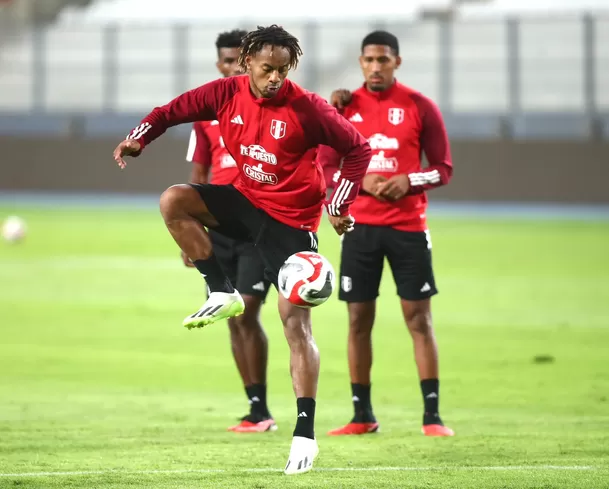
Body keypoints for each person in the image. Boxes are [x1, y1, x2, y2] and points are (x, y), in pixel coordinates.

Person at [113, 25, 371, 475]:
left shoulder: (308, 108)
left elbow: (357, 148)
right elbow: (169, 111)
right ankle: (220, 290)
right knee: (174, 200)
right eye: (267, 68)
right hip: (247, 203)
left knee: (296, 325)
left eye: (283, 70)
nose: (275, 78)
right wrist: (139, 137)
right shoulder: (224, 93)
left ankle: (304, 432)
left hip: (291, 224)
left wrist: (339, 202)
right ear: (247, 61)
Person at [318, 30, 455, 438]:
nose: (375, 67)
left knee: (419, 319)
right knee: (358, 319)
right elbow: (325, 168)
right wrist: (362, 182)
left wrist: (409, 180)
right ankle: (362, 415)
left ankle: (432, 417)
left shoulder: (420, 106)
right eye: (369, 60)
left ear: (397, 62)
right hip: (359, 230)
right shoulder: (342, 109)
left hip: (408, 228)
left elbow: (443, 169)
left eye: (383, 60)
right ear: (360, 63)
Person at [183, 29, 275, 433]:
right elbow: (199, 173)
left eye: (241, 59)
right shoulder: (207, 114)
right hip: (218, 227)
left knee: (248, 309)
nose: (234, 67)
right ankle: (256, 409)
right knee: (232, 316)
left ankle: (263, 407)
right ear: (218, 65)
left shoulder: (269, 107)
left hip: (258, 223)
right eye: (227, 61)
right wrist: (192, 232)